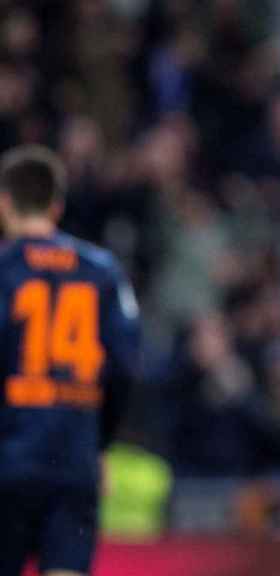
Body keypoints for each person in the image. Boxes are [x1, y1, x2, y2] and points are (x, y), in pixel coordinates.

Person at [0, 145, 141, 576]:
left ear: (4, 202)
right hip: (73, 460)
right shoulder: (102, 271)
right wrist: (99, 443)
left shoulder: (4, 268)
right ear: (57, 205)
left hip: (8, 458)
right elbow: (124, 367)